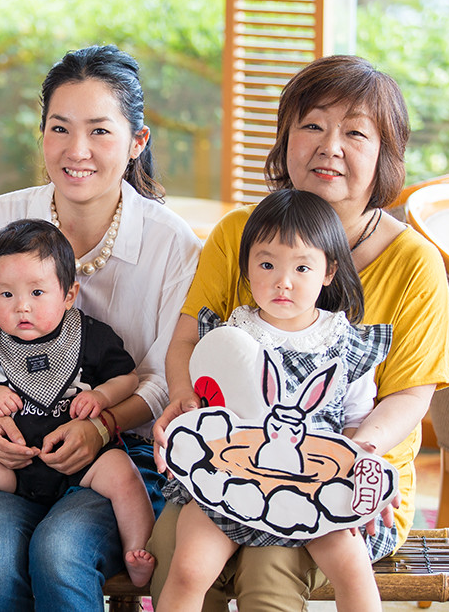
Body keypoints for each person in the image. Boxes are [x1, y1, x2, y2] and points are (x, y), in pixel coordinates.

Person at [149, 54, 449, 611]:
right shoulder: (239, 232)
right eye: (312, 125)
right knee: (177, 553)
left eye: (355, 133)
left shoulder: (414, 262)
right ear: (285, 139)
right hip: (232, 458)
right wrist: (183, 400)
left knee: (268, 568)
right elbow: (189, 340)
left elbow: (412, 394)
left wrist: (355, 456)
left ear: (385, 154)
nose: (329, 146)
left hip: (344, 475)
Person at [0, 44, 202, 610]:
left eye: (100, 131)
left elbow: (166, 377)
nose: (77, 151)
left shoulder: (173, 245)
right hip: (13, 449)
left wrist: (102, 425)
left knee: (60, 549)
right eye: (60, 129)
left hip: (126, 454)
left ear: (137, 141)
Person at [155, 189, 392, 612]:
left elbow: (357, 419)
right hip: (233, 477)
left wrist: (362, 465)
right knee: (189, 569)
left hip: (312, 486)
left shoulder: (345, 343)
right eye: (267, 264)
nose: (283, 281)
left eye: (302, 267)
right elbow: (210, 408)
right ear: (247, 268)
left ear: (329, 271)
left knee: (354, 568)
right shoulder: (230, 337)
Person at [0, 218, 155, 585]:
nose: (22, 307)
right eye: (6, 295)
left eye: (37, 293)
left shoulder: (91, 337)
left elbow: (128, 378)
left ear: (69, 295)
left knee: (124, 474)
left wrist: (101, 396)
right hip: (11, 464)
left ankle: (137, 548)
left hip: (84, 464)